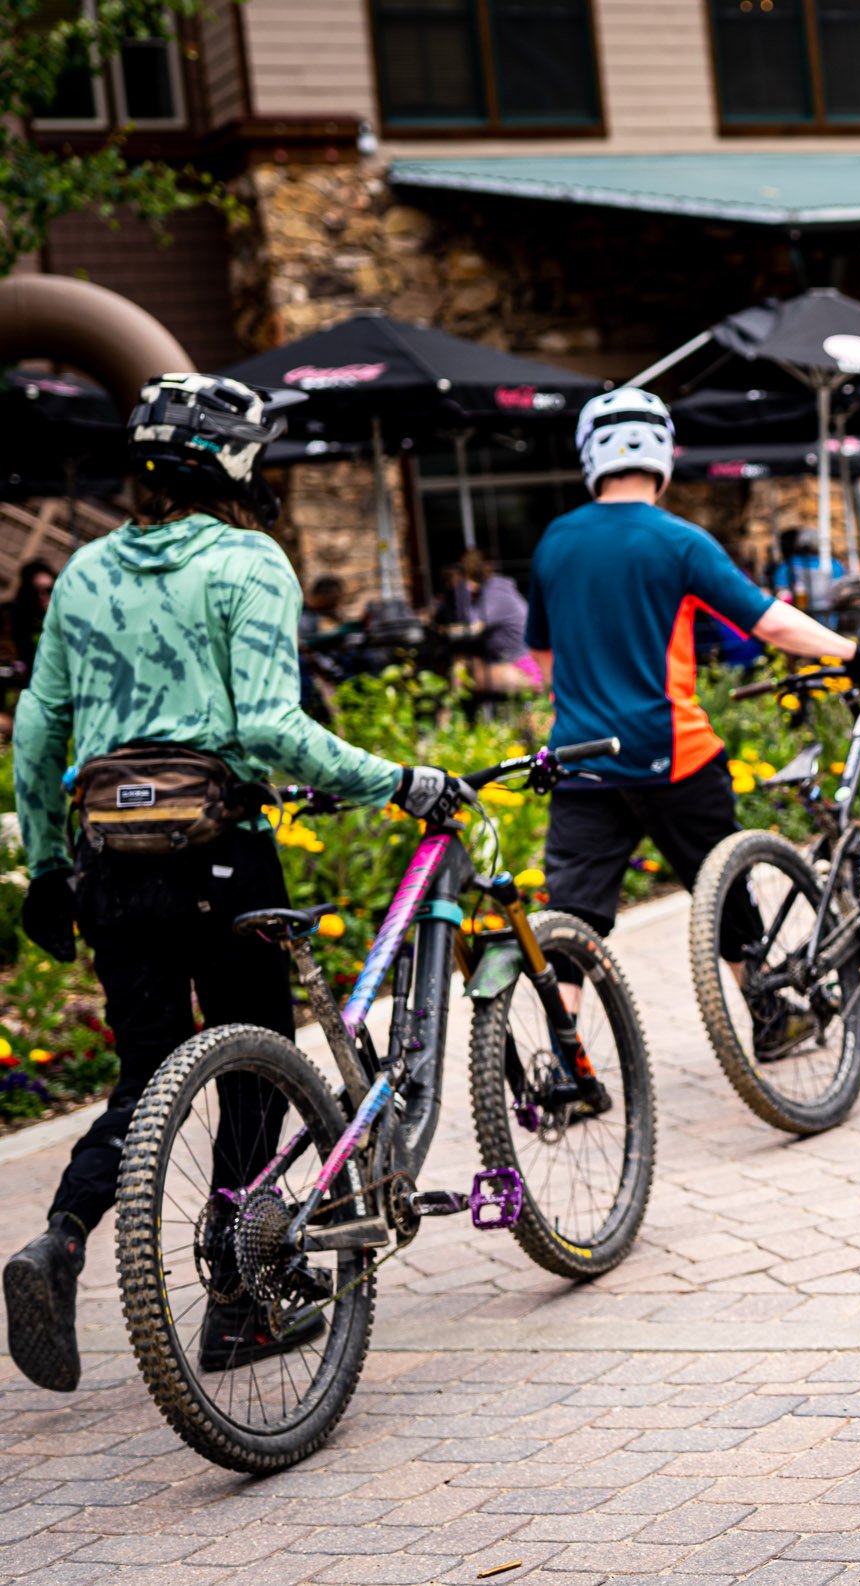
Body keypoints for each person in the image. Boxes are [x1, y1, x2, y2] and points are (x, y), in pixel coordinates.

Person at [4, 374, 461, 1393]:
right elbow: (265, 726)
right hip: (221, 852)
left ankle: (62, 1239)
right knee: (252, 1065)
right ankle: (240, 1309)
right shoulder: (247, 562)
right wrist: (394, 780)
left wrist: (43, 865)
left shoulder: (81, 570)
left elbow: (38, 730)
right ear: (234, 462)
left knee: (148, 1074)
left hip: (110, 862)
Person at [526, 389, 860, 1004]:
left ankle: (567, 1074)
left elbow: (544, 657)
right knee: (723, 890)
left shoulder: (555, 541)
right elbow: (769, 623)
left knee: (574, 917)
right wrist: (855, 653)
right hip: (671, 753)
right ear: (663, 457)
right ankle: (768, 1014)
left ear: (591, 456)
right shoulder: (678, 541)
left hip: (579, 759)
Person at [439, 548, 542, 694]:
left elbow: (472, 627)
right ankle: (452, 711)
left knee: (468, 675)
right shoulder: (492, 591)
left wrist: (461, 591)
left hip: (526, 668)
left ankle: (451, 712)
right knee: (463, 662)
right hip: (512, 662)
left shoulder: (496, 592)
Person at [7, 561, 53, 669]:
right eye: (35, 591)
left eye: (49, 590)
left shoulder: (66, 619)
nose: (43, 596)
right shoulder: (14, 619)